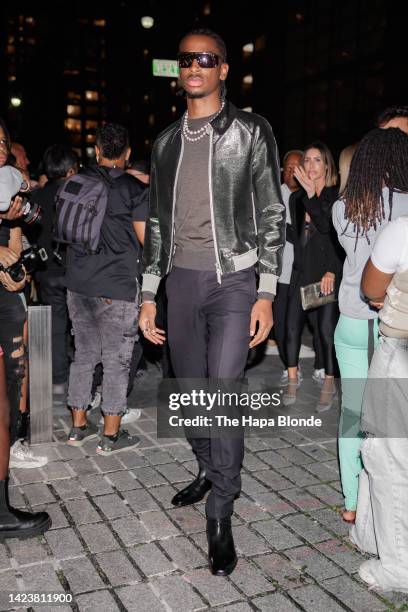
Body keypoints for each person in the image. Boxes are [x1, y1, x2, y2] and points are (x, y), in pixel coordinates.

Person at [140, 28, 285, 576]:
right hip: (180, 281)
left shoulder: (251, 131)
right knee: (188, 393)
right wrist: (149, 294)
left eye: (205, 58)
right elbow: (155, 224)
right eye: (185, 59)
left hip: (234, 282)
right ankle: (206, 466)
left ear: (223, 69)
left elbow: (272, 213)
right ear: (179, 72)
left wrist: (266, 292)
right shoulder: (164, 142)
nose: (194, 66)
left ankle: (220, 512)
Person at [332, 127, 408, 524]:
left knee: (353, 412)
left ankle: (351, 501)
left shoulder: (342, 208)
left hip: (349, 322)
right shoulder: (405, 208)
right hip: (386, 326)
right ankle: (388, 501)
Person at [64, 123, 148, 454]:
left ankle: (77, 427)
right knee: (116, 360)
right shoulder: (134, 188)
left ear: (97, 151)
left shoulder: (77, 182)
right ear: (127, 153)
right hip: (116, 286)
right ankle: (111, 436)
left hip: (78, 283)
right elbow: (145, 240)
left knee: (83, 355)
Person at [350, 215, 408, 592]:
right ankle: (371, 536)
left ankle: (400, 566)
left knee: (388, 457)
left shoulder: (403, 228)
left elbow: (371, 287)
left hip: (402, 351)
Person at [0, 120, 48, 469]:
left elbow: (15, 242)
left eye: (4, 141)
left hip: (6, 289)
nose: (2, 147)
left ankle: (13, 441)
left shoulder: (10, 186)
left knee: (16, 364)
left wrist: (17, 271)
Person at [283, 142, 342, 410]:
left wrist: (333, 269)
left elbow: (329, 231)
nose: (310, 164)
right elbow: (297, 236)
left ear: (327, 166)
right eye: (307, 160)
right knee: (291, 328)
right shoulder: (296, 199)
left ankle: (329, 382)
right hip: (301, 273)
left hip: (325, 275)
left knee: (325, 332)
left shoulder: (334, 197)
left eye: (317, 160)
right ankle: (293, 380)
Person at [30, 144, 79, 394]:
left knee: (56, 325)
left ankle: (58, 380)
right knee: (83, 328)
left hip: (47, 270)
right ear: (71, 170)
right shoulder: (79, 194)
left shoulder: (37, 196)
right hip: (77, 271)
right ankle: (87, 382)